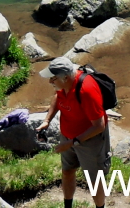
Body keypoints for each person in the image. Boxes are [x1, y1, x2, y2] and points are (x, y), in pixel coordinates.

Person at [39, 57, 110, 208]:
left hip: (90, 140)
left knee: (94, 180)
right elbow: (57, 97)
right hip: (68, 136)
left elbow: (99, 126)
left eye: (53, 78)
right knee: (67, 171)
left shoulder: (86, 90)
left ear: (65, 77)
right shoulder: (63, 85)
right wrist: (47, 120)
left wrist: (72, 142)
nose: (50, 82)